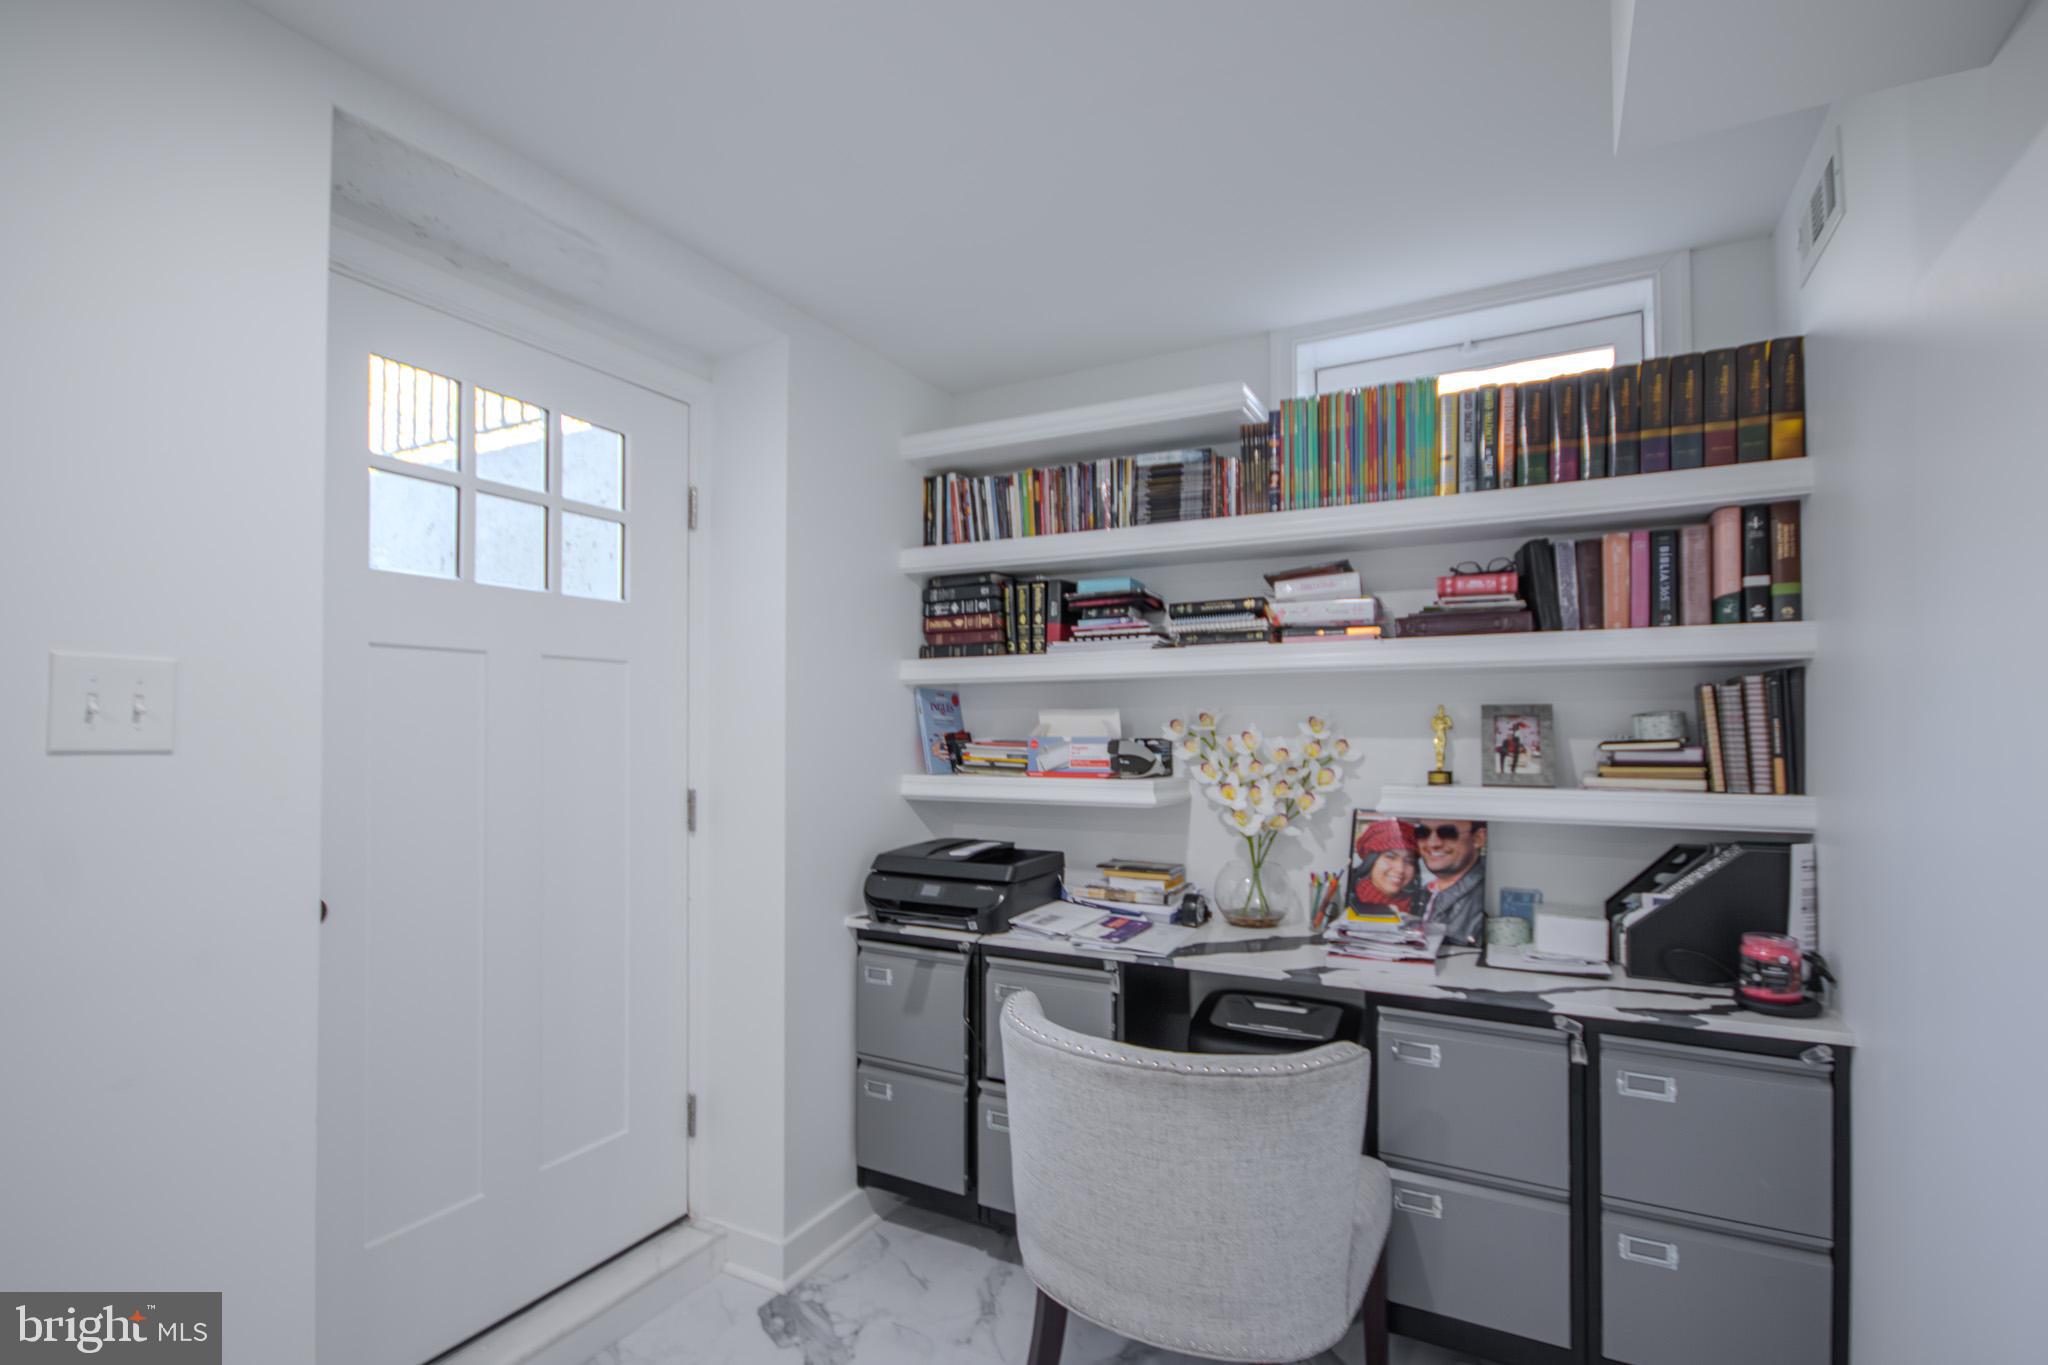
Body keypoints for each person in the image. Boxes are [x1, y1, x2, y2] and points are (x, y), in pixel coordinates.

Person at [1414, 819, 1487, 945]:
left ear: (1478, 838)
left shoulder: (1487, 897)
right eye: (1422, 832)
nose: (1433, 843)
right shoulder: (1419, 891)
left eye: (1447, 833)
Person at [1348, 818, 1422, 916]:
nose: (1400, 869)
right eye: (1390, 857)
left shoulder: (1423, 908)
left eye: (1409, 861)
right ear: (1371, 861)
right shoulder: (1347, 901)